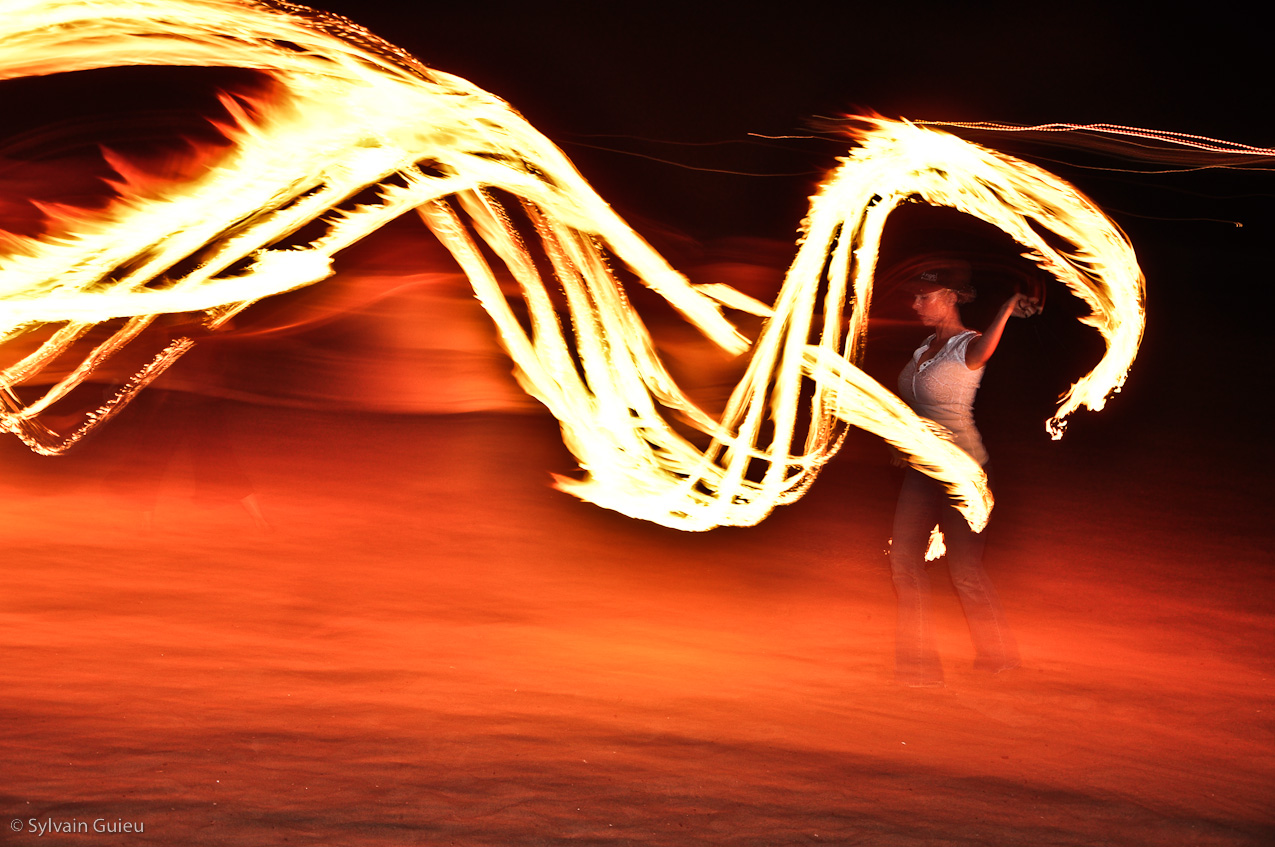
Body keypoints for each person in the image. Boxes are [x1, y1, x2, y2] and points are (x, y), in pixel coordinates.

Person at [889, 259, 1039, 686]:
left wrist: (1008, 306)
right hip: (923, 470)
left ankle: (999, 656)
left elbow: (987, 347)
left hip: (964, 473)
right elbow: (920, 408)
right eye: (914, 295)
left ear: (952, 298)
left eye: (925, 295)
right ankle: (917, 664)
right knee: (903, 560)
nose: (916, 303)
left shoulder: (967, 346)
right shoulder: (924, 348)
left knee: (964, 570)